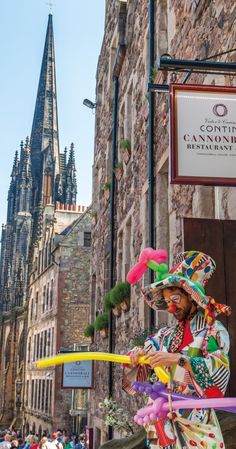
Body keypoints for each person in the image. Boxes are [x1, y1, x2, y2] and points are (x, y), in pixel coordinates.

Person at [124, 250, 231, 449]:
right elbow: (136, 368)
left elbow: (219, 373)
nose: (171, 308)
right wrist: (136, 356)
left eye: (175, 300)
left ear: (192, 297)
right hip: (159, 421)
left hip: (197, 424)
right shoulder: (165, 335)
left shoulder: (212, 332)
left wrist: (176, 360)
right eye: (168, 302)